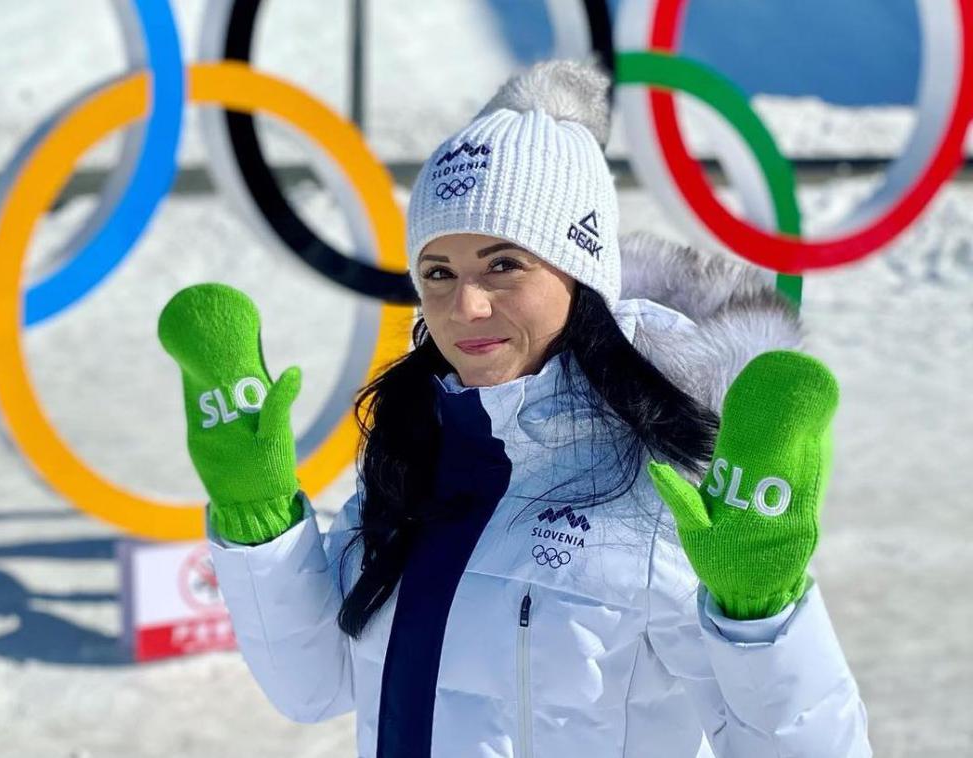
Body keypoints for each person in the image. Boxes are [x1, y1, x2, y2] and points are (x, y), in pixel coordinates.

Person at [158, 60, 872, 757]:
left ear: (581, 270)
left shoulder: (662, 483)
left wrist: (763, 613)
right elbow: (314, 687)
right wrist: (256, 513)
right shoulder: (419, 441)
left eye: (504, 264)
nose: (465, 305)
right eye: (438, 273)